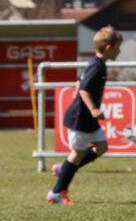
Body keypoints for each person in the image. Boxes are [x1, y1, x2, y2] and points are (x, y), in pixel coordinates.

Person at [47, 25, 122, 205]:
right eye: (118, 47)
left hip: (87, 118)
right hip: (80, 117)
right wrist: (93, 109)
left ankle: (64, 168)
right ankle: (57, 192)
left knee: (101, 146)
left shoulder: (97, 63)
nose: (119, 51)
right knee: (77, 154)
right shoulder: (97, 66)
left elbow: (79, 81)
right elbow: (83, 89)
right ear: (109, 48)